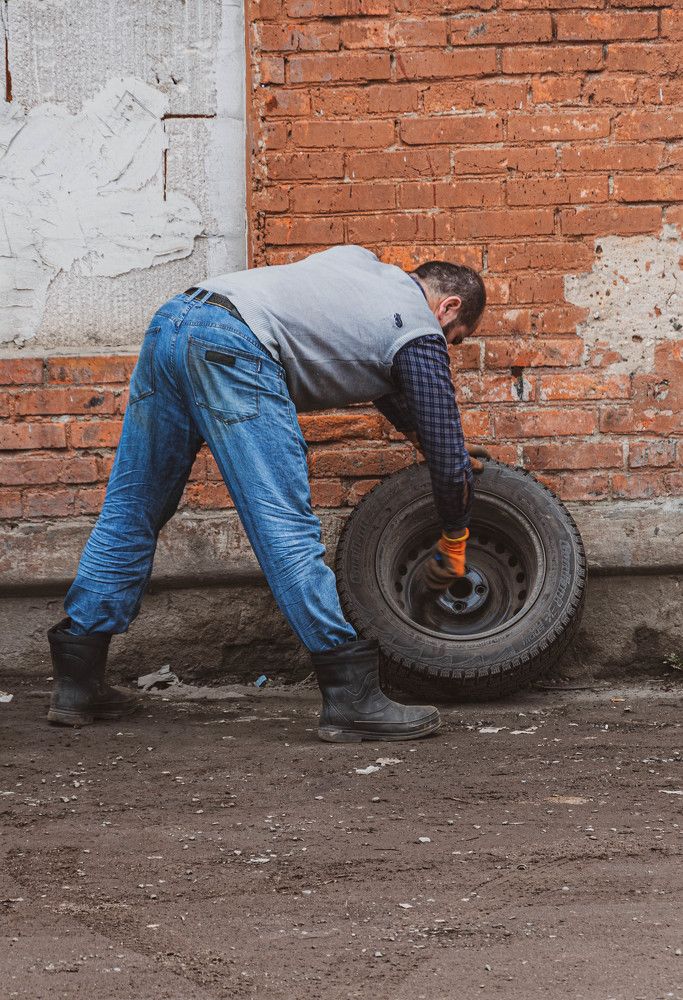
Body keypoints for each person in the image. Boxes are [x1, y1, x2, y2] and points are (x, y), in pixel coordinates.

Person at [46, 245, 487, 742]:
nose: (446, 346)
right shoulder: (419, 327)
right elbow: (445, 447)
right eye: (455, 338)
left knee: (132, 510)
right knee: (285, 528)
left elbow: (386, 376)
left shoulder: (360, 267)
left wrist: (419, 436)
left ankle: (77, 682)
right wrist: (454, 535)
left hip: (175, 322)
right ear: (448, 307)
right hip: (236, 343)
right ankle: (351, 697)